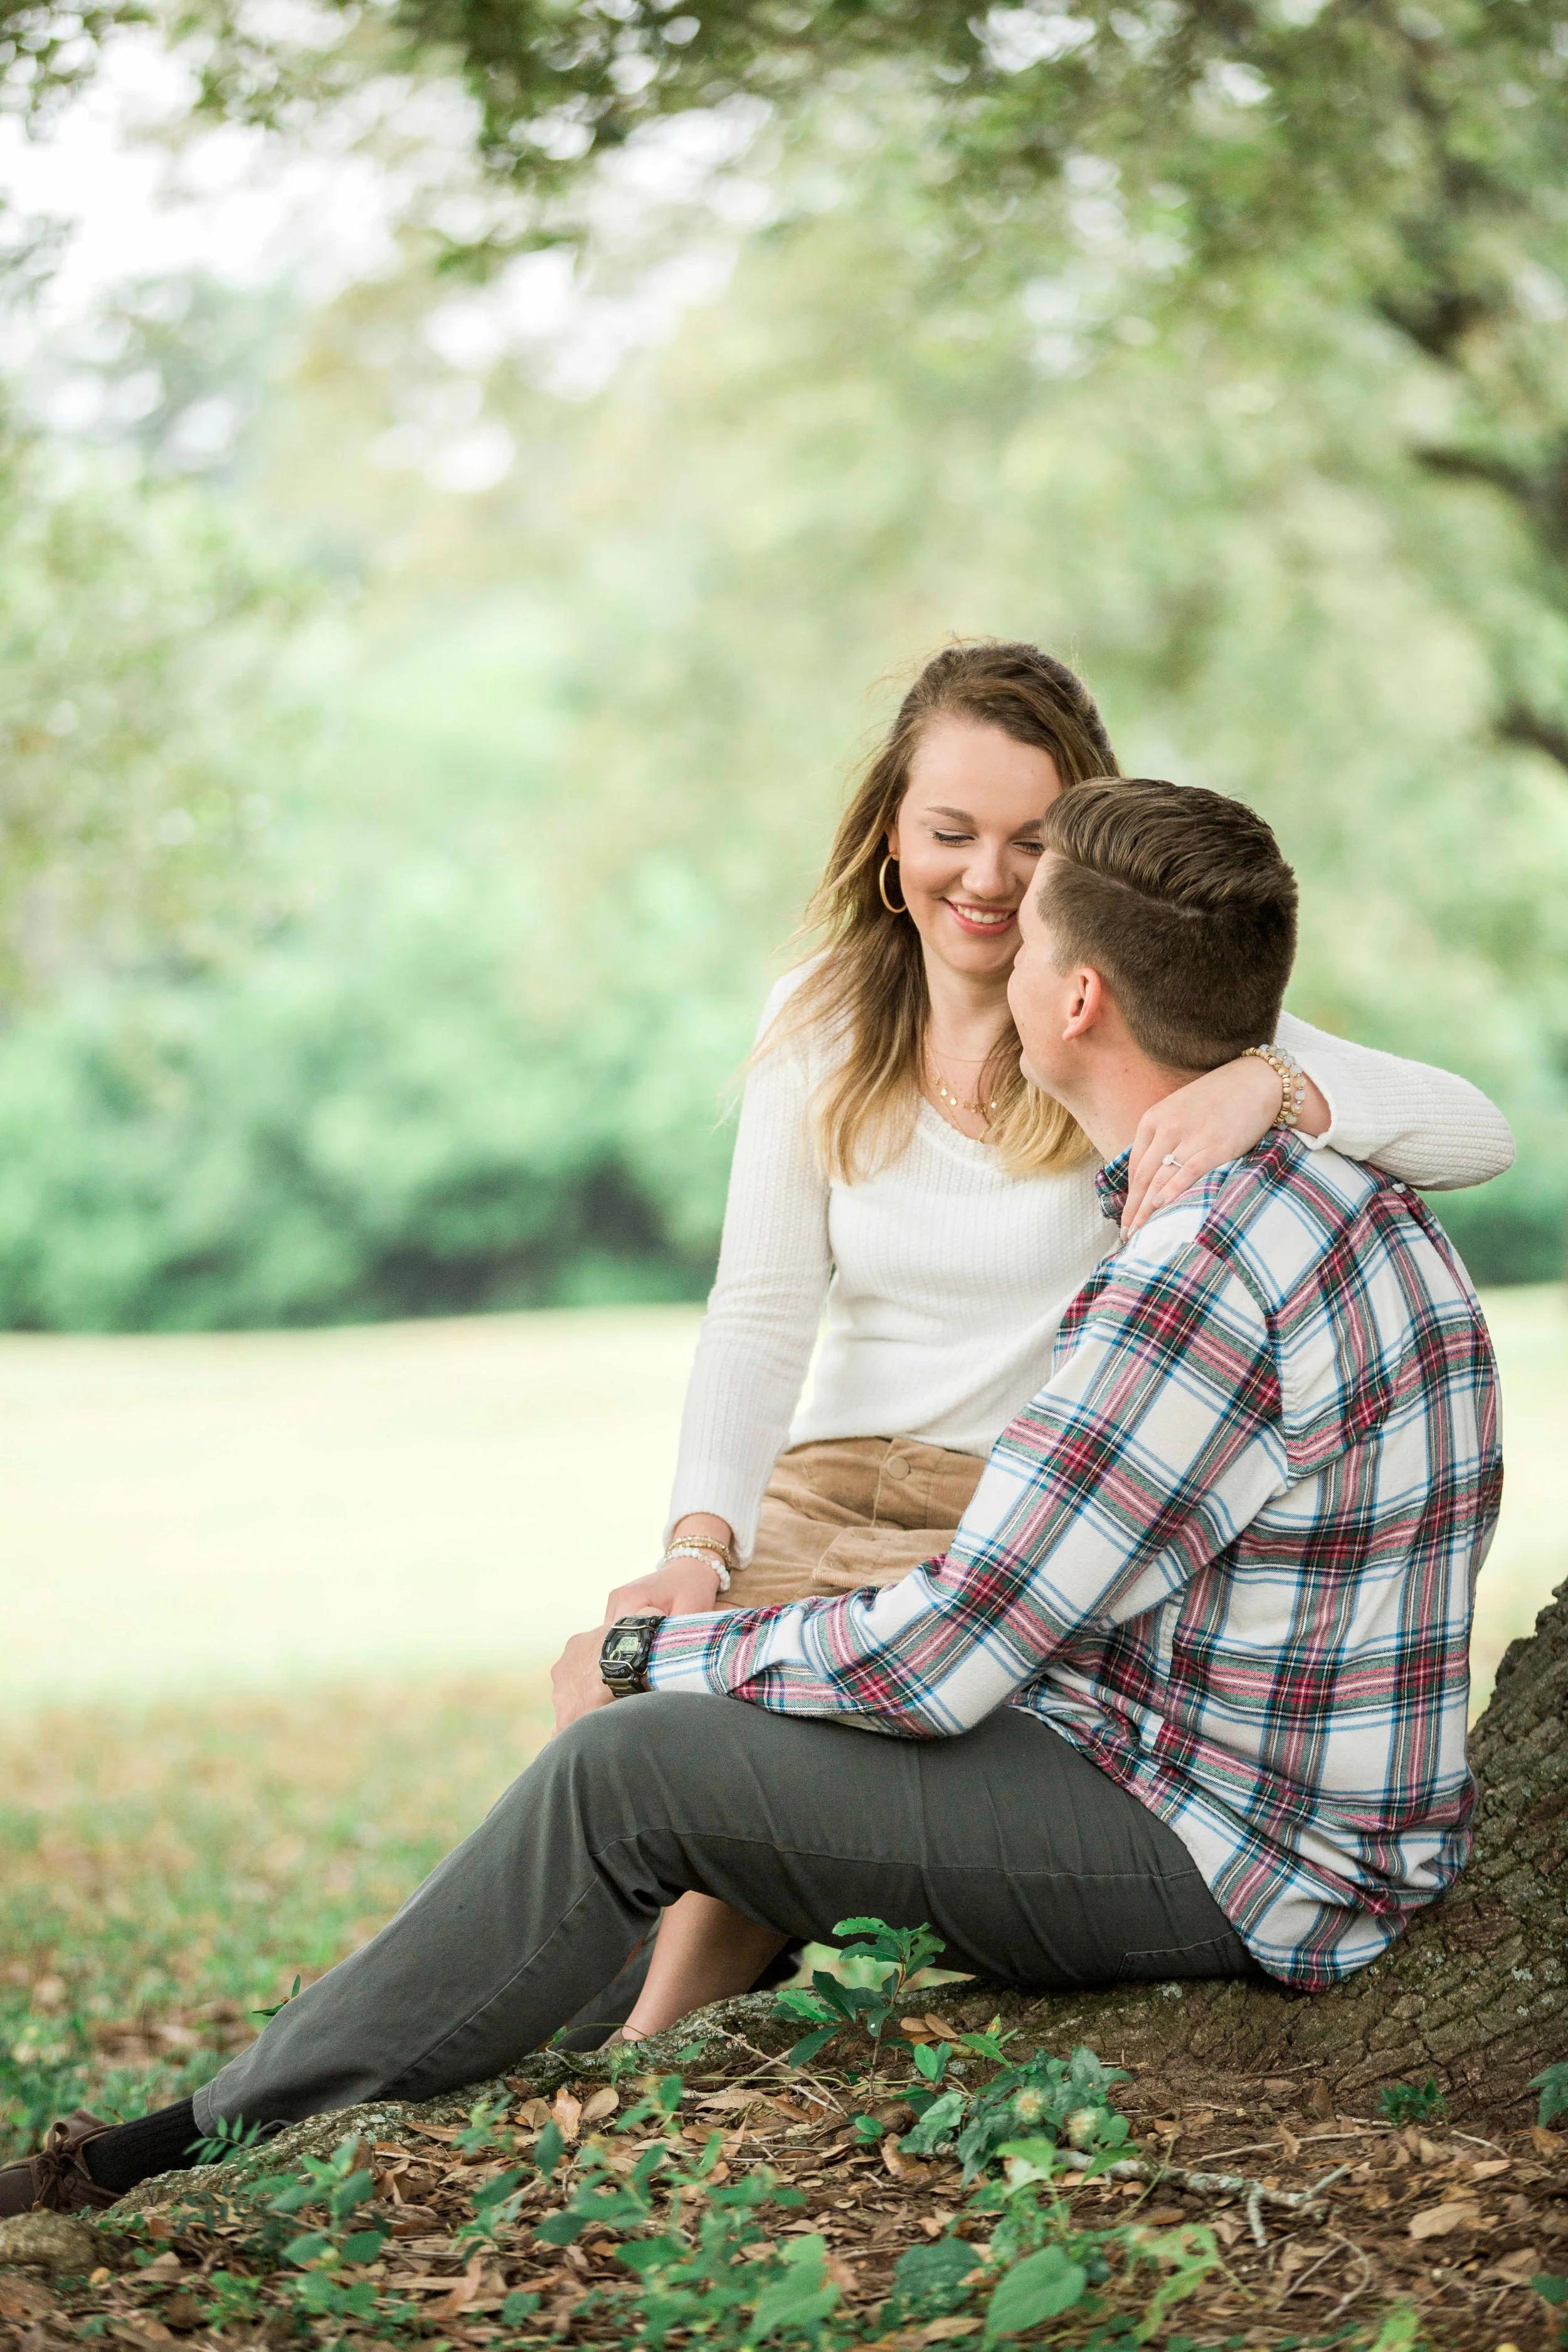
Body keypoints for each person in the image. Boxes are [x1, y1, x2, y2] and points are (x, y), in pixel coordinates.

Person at [2, 775, 1500, 2216]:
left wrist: (644, 1652)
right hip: (1241, 1788)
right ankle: (445, 2047)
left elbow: (940, 1657)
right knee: (699, 1740)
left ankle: (197, 2139)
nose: (1002, 939)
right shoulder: (1351, 1200)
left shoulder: (1180, 1277)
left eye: (1032, 925)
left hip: (1237, 1857)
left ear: (1076, 999)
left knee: (629, 1767)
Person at [598, 641, 1510, 2033]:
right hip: (827, 1478)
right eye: (947, 832)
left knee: (753, 1733)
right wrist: (696, 1541)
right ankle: (559, 2038)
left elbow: (1474, 1129)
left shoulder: (1132, 1021)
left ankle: (638, 2054)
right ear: (888, 832)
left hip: (1002, 1509)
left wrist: (1265, 1086)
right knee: (635, 1722)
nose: (981, 878)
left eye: (1027, 844)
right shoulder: (818, 1018)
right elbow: (761, 1308)